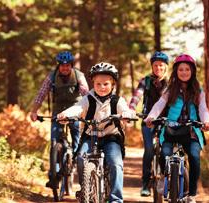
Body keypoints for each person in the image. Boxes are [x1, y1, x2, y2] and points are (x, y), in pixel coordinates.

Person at [57, 62, 136, 203]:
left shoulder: (117, 101)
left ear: (113, 84)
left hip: (111, 138)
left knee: (115, 163)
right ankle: (85, 190)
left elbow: (125, 109)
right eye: (98, 84)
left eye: (106, 84)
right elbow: (77, 108)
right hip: (90, 136)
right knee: (81, 158)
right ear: (93, 83)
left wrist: (127, 114)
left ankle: (116, 199)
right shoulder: (88, 99)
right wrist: (65, 114)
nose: (101, 87)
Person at [145, 54, 209, 203]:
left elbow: (203, 109)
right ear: (176, 71)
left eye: (187, 69)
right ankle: (163, 177)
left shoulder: (198, 90)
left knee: (194, 157)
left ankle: (192, 194)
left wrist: (206, 122)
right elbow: (159, 105)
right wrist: (151, 117)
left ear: (192, 71)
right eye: (180, 69)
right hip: (170, 130)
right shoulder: (170, 89)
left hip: (191, 130)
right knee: (165, 154)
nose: (184, 72)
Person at [30, 51, 89, 187]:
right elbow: (41, 94)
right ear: (58, 66)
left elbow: (86, 93)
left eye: (67, 65)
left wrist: (89, 110)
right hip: (58, 110)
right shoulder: (52, 76)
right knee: (54, 140)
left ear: (71, 65)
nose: (65, 68)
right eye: (62, 66)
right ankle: (54, 176)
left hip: (75, 109)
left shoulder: (79, 76)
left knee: (77, 139)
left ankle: (76, 162)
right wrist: (34, 111)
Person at [129, 51, 169, 196]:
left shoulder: (171, 82)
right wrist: (131, 109)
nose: (158, 68)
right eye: (155, 65)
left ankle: (166, 178)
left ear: (166, 67)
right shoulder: (145, 81)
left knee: (166, 151)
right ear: (152, 67)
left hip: (166, 121)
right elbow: (136, 96)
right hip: (148, 120)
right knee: (149, 150)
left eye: (161, 65)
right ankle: (145, 183)